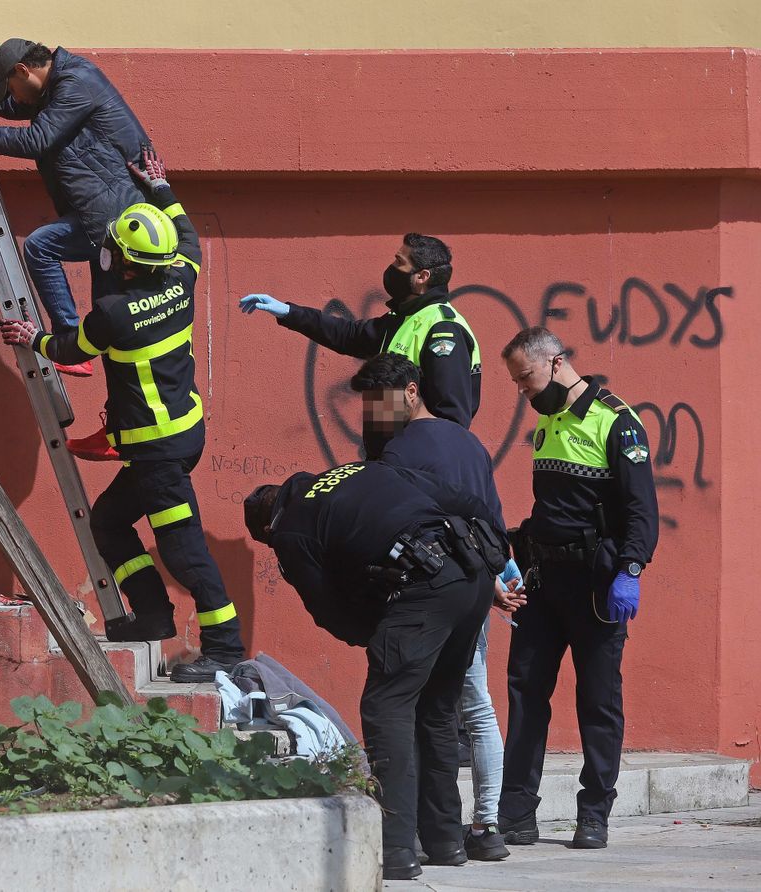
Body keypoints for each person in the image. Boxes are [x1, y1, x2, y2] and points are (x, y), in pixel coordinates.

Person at [0, 150, 244, 682]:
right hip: (182, 434)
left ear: (126, 264)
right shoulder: (184, 276)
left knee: (184, 548)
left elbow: (69, 346)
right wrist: (161, 187)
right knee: (108, 523)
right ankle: (153, 615)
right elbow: (188, 235)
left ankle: (224, 647)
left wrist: (30, 337)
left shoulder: (114, 315)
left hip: (157, 449)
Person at [244, 461, 504, 880]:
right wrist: (499, 552)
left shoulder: (290, 530)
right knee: (438, 707)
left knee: (387, 706)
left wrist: (379, 635)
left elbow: (327, 610)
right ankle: (445, 842)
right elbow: (461, 496)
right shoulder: (359, 470)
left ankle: (396, 847)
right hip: (471, 575)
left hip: (424, 587)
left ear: (267, 530)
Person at [351, 353, 525, 861]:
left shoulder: (398, 453)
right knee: (454, 709)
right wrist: (495, 580)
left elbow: (393, 526)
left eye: (380, 404)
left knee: (419, 707)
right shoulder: (468, 442)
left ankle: (419, 840)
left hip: (428, 594)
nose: (375, 416)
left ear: (411, 391)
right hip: (476, 591)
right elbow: (490, 518)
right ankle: (452, 838)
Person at [496, 327, 659, 851]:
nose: (523, 390)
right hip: (544, 585)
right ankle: (516, 813)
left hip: (597, 587)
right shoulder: (547, 420)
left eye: (526, 377)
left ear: (556, 361)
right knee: (524, 697)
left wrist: (630, 572)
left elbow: (641, 510)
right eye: (518, 382)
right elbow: (553, 509)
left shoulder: (617, 421)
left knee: (598, 702)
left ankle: (594, 815)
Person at [0, 38, 152, 378]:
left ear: (23, 70)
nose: (15, 98)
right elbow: (18, 107)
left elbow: (37, 139)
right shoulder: (53, 85)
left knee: (40, 246)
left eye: (12, 88)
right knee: (108, 322)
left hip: (114, 211)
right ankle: (117, 421)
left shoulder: (75, 83)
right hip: (104, 209)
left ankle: (67, 341)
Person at [238, 234, 482, 427]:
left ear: (422, 277)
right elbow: (350, 335)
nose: (391, 267)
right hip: (390, 460)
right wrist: (289, 313)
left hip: (414, 468)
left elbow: (451, 420)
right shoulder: (404, 318)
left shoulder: (443, 330)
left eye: (399, 262)